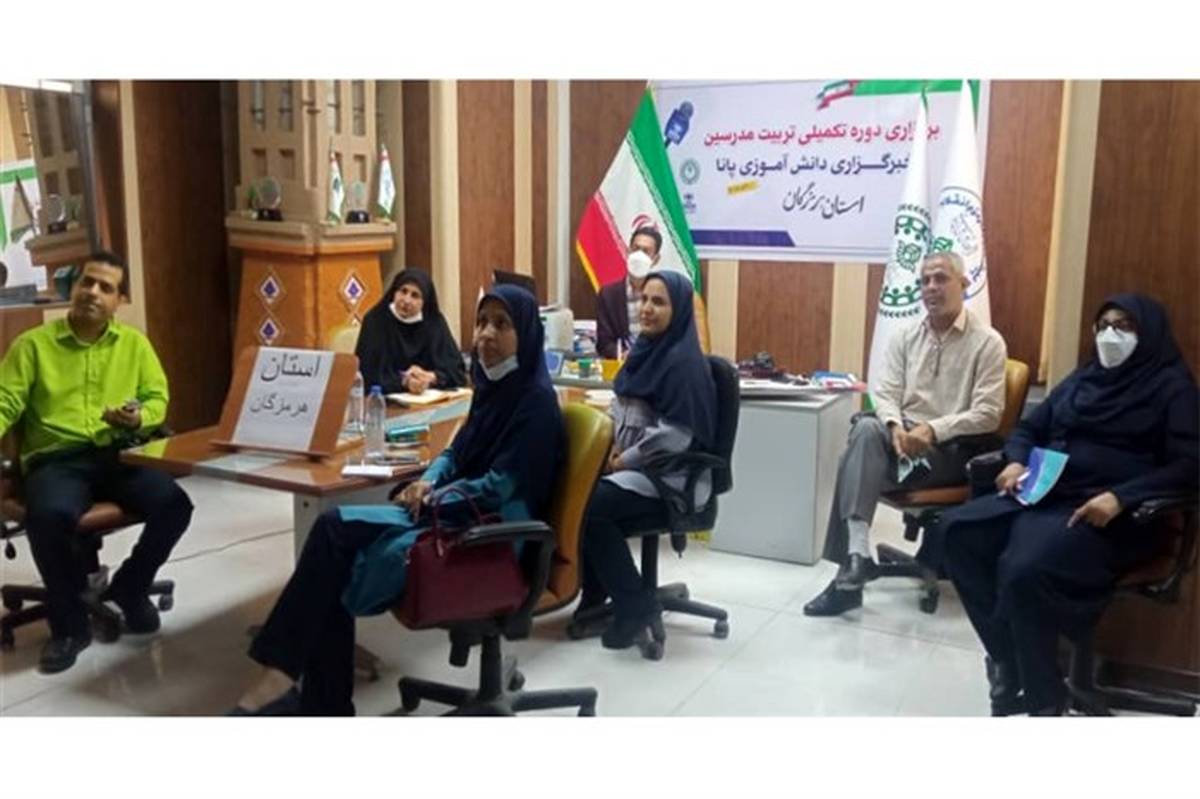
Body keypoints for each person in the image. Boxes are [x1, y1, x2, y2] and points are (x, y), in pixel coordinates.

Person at [230, 285, 565, 715]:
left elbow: (500, 487)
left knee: (335, 543)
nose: (486, 334)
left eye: (502, 324)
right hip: (455, 512)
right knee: (333, 539)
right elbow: (455, 453)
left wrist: (435, 497)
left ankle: (297, 691)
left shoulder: (536, 403)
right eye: (482, 322)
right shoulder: (492, 389)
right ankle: (307, 695)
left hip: (494, 534)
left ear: (528, 334)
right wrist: (428, 480)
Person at [939, 294, 1198, 716]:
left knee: (1022, 569)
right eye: (1104, 326)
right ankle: (1009, 660)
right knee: (956, 533)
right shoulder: (1084, 378)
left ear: (1148, 333)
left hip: (1116, 518)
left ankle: (1045, 702)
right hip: (1048, 494)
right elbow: (1029, 427)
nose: (1110, 335)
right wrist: (1016, 459)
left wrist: (1122, 497)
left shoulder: (1172, 388)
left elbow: (1189, 465)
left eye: (1124, 326)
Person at [0, 251, 193, 674]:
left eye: (105, 287)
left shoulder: (134, 345)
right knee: (48, 516)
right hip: (56, 460)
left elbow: (156, 397)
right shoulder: (32, 346)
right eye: (86, 282)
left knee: (175, 505)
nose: (92, 292)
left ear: (118, 301)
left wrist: (138, 418)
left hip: (116, 453)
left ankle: (130, 587)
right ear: (74, 288)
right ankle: (69, 627)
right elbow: (4, 403)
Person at [803, 251, 1007, 617]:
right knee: (867, 428)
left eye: (940, 278)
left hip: (950, 450)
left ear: (963, 284)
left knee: (852, 463)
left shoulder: (988, 342)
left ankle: (847, 582)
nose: (931, 287)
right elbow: (885, 393)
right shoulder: (905, 336)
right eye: (924, 280)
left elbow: (988, 414)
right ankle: (858, 555)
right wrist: (896, 427)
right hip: (900, 440)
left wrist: (932, 430)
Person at [577, 269, 718, 648]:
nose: (647, 309)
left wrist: (624, 460)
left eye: (659, 302)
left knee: (593, 507)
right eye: (644, 299)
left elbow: (675, 436)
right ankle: (596, 595)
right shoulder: (643, 351)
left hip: (674, 479)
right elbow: (621, 408)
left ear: (679, 309)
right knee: (578, 492)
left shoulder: (683, 363)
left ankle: (633, 606)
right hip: (641, 470)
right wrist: (606, 445)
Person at [354, 268, 466, 395]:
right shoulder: (376, 320)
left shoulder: (434, 323)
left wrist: (431, 377)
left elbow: (457, 372)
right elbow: (366, 375)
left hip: (427, 400)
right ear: (394, 292)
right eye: (403, 291)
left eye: (415, 295)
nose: (407, 300)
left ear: (425, 302)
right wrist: (404, 381)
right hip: (385, 401)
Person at [595, 226, 661, 359]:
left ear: (655, 259)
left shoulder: (664, 294)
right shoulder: (609, 294)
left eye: (646, 251)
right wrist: (623, 355)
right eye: (636, 249)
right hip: (623, 364)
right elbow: (604, 343)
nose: (639, 256)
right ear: (628, 252)